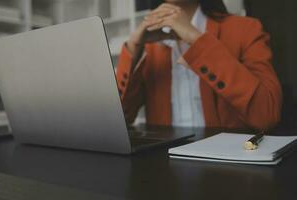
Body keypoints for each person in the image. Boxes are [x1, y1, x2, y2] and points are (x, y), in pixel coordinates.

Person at [115, 0, 282, 130]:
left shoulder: (246, 29)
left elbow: (267, 115)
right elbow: (117, 121)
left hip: (229, 165)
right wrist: (133, 48)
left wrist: (196, 39)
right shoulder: (150, 45)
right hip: (163, 165)